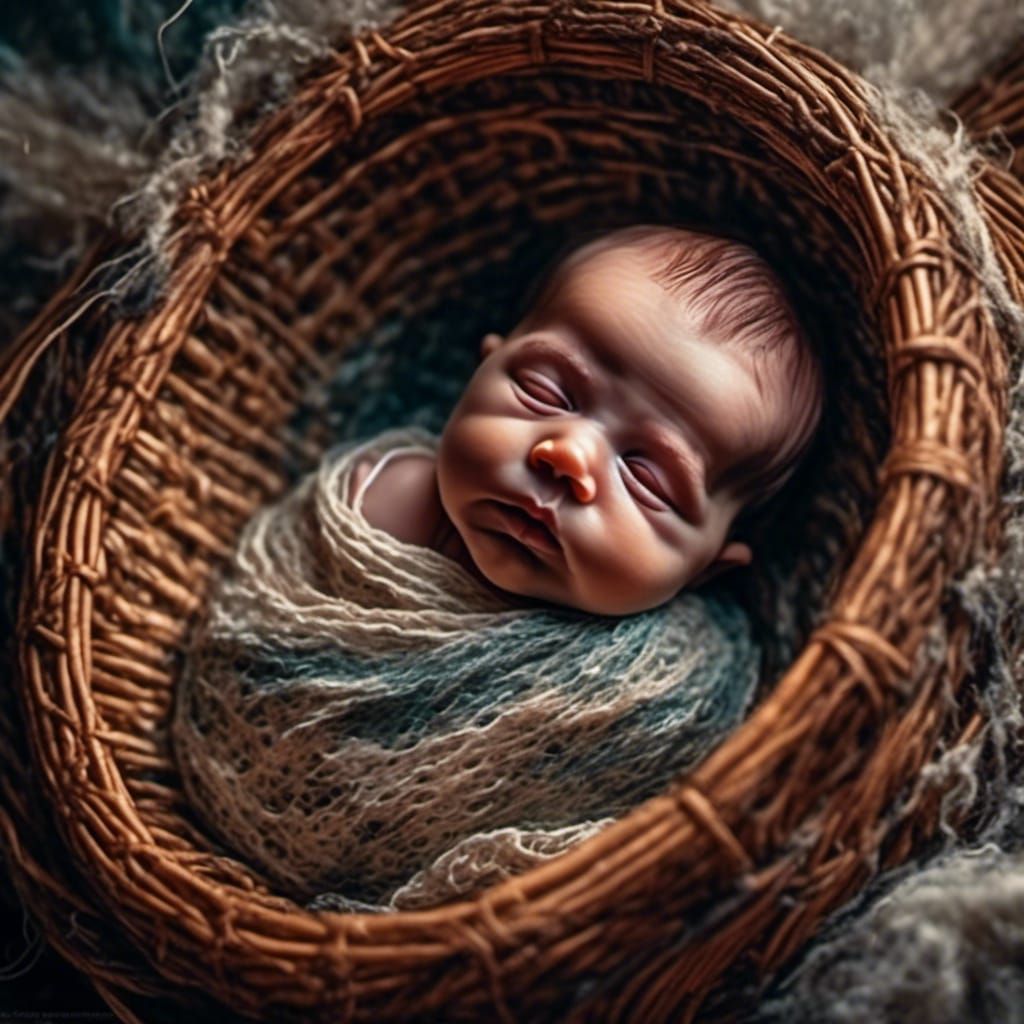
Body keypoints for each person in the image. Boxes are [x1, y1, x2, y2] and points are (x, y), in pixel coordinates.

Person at [349, 224, 823, 615]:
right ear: (479, 374)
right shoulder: (385, 500)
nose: (569, 456)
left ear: (703, 572)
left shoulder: (656, 681)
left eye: (646, 478)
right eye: (545, 394)